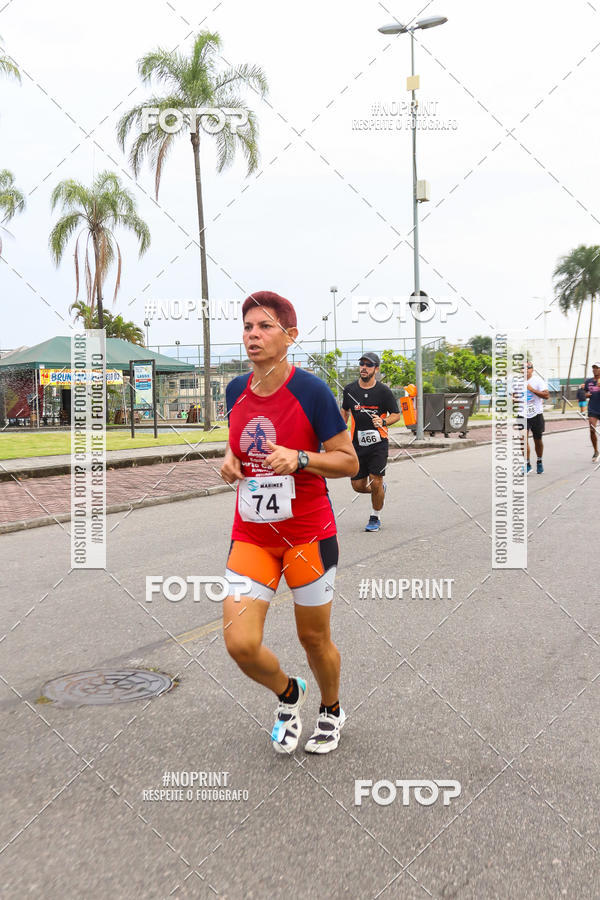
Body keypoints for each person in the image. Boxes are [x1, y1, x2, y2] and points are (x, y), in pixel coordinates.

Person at [220, 291, 358, 756]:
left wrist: (301, 458)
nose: (253, 335)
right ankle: (288, 692)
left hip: (308, 535)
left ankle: (331, 708)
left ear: (290, 336)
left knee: (313, 638)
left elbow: (349, 461)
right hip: (253, 535)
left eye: (265, 326)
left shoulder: (312, 392)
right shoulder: (235, 390)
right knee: (240, 644)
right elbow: (237, 440)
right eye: (247, 327)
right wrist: (230, 459)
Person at [341, 352, 402, 531]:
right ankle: (379, 490)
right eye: (362, 364)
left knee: (375, 480)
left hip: (378, 444)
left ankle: (375, 516)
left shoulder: (383, 391)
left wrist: (383, 421)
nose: (364, 368)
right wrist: (339, 432)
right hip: (357, 444)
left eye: (368, 365)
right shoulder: (350, 390)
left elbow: (396, 415)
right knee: (357, 485)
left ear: (376, 369)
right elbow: (345, 412)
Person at [525, 360, 549, 474]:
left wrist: (532, 390)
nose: (525, 370)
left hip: (536, 414)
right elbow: (515, 396)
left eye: (528, 368)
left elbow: (546, 395)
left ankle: (539, 461)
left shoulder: (538, 380)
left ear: (532, 370)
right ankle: (527, 464)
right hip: (522, 414)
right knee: (522, 439)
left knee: (537, 440)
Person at [583, 363, 600, 462]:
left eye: (597, 368)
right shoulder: (588, 381)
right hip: (593, 408)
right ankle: (596, 451)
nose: (594, 370)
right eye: (593, 368)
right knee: (592, 429)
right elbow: (585, 392)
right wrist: (586, 395)